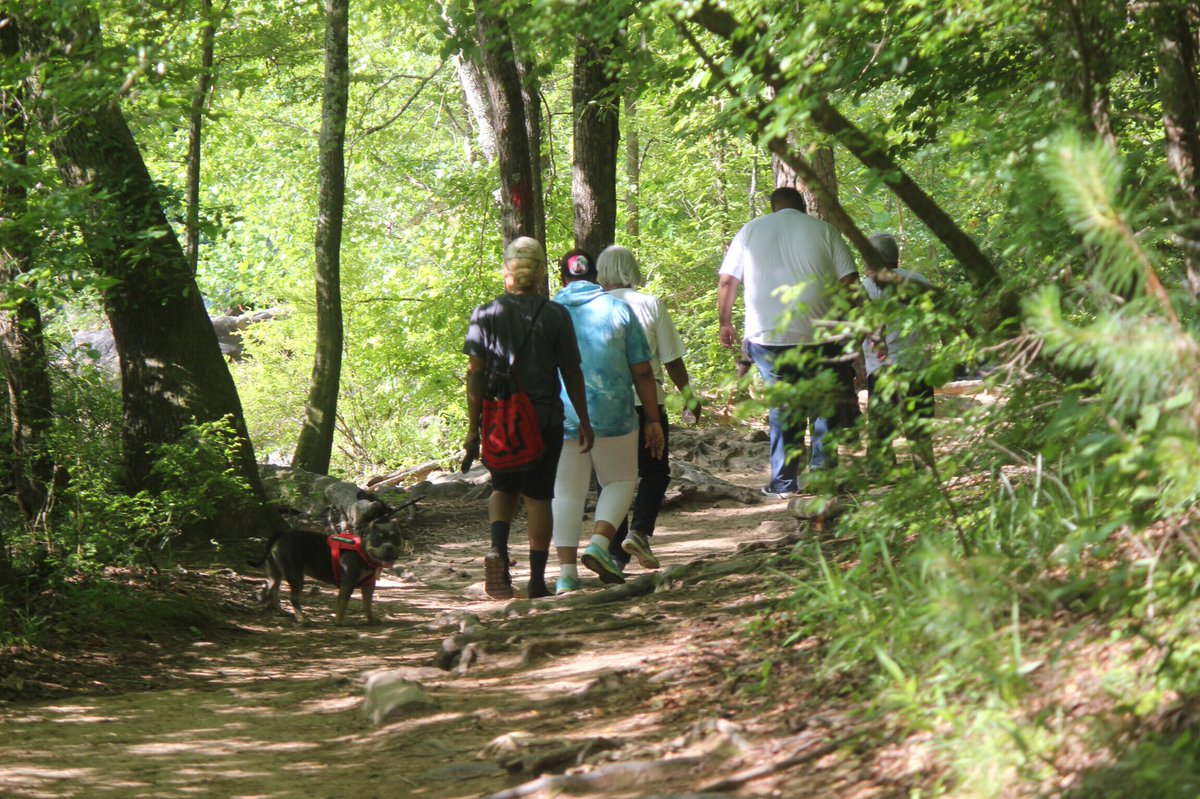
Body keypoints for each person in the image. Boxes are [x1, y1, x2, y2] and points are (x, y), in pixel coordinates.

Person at [463, 237, 594, 600]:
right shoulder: (555, 315)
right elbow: (571, 371)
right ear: (539, 274)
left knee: (503, 487)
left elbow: (474, 372)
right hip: (543, 420)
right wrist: (583, 419)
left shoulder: (484, 314)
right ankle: (536, 581)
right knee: (538, 497)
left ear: (507, 272)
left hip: (498, 419)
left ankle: (497, 552)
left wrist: (473, 429)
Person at [717, 187, 860, 498]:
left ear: (773, 208)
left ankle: (784, 482)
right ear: (804, 207)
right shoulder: (825, 230)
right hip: (822, 332)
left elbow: (728, 280)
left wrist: (725, 323)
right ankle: (822, 474)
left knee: (784, 405)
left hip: (769, 337)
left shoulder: (750, 230)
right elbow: (850, 283)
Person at [551, 249, 665, 593]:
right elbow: (643, 370)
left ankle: (566, 576)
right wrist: (653, 419)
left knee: (566, 494)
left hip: (563, 416)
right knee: (619, 481)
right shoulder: (618, 309)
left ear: (561, 278)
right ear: (596, 277)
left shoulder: (550, 312)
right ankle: (600, 544)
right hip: (614, 414)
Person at [596, 244, 697, 573]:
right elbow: (672, 359)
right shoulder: (651, 305)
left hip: (606, 405)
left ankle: (615, 555)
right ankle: (639, 531)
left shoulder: (592, 307)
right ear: (632, 270)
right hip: (647, 401)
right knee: (655, 471)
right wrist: (689, 396)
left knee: (609, 480)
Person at [861, 233, 935, 472]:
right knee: (919, 426)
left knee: (881, 426)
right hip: (917, 364)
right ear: (896, 257)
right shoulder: (919, 281)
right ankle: (924, 470)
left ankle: (881, 471)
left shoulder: (867, 286)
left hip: (882, 367)